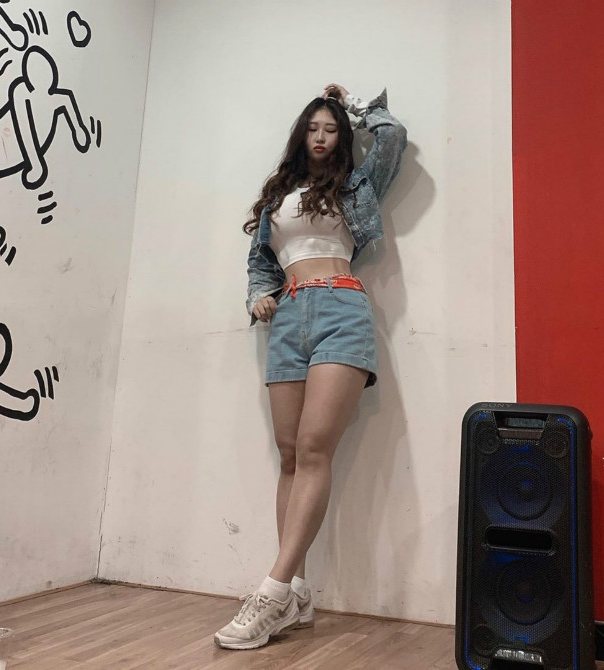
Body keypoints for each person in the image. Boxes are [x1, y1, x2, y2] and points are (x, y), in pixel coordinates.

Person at [214, 83, 407, 650]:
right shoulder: (278, 195)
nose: (321, 137)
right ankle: (297, 590)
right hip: (288, 317)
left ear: (341, 137)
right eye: (314, 128)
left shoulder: (356, 185)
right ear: (300, 135)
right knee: (291, 455)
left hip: (341, 308)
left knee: (316, 447)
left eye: (331, 129)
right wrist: (258, 295)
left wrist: (357, 107)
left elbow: (393, 137)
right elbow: (260, 264)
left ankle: (271, 592)